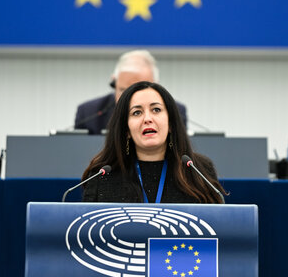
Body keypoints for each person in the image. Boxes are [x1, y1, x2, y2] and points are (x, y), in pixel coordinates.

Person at [82, 81, 225, 204]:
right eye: (137, 113)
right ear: (126, 129)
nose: (147, 119)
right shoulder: (102, 175)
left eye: (156, 110)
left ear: (170, 123)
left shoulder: (199, 170)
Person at [74, 50, 187, 133]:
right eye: (123, 90)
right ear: (114, 83)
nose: (130, 99)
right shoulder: (89, 112)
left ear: (156, 88)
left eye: (139, 91)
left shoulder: (175, 111)